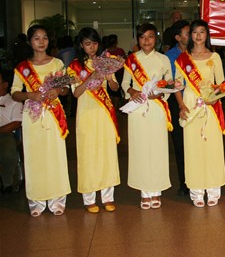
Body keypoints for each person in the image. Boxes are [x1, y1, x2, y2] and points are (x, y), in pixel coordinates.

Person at [11, 25, 71, 216]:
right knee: (34, 157)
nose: (41, 41)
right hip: (33, 116)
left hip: (54, 115)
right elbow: (14, 93)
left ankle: (57, 200)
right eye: (37, 38)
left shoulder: (57, 63)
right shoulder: (23, 68)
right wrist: (30, 94)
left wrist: (58, 91)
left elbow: (66, 89)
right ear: (30, 41)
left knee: (55, 156)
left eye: (44, 38)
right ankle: (36, 201)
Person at [174, 19, 225, 207]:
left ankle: (213, 189)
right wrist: (181, 106)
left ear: (207, 35)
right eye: (194, 32)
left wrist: (214, 98)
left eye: (202, 32)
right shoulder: (183, 59)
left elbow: (222, 84)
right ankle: (196, 191)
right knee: (193, 148)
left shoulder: (215, 57)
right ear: (190, 35)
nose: (198, 35)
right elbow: (177, 86)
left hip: (210, 106)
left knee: (212, 148)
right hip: (191, 106)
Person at [67, 28, 121, 213]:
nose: (92, 47)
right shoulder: (74, 66)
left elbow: (115, 87)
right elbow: (75, 93)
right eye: (88, 44)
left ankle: (108, 197)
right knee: (88, 154)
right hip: (86, 114)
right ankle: (89, 198)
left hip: (104, 113)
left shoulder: (105, 61)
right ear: (81, 45)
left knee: (107, 153)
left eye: (95, 43)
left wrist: (109, 78)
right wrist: (90, 78)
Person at [121, 23, 172, 209]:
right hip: (137, 108)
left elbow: (170, 83)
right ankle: (144, 192)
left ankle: (156, 191)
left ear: (156, 39)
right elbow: (124, 83)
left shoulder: (163, 59)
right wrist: (132, 91)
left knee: (158, 149)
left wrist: (161, 94)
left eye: (150, 36)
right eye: (142, 37)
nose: (146, 40)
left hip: (157, 108)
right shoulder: (132, 59)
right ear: (138, 39)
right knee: (140, 149)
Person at [164, 20, 190, 196]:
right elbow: (171, 82)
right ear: (178, 37)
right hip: (176, 100)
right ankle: (184, 182)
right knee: (180, 143)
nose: (193, 36)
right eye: (188, 33)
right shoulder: (170, 56)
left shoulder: (198, 53)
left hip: (196, 99)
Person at [0, 69, 22, 194]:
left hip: (5, 134)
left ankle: (7, 183)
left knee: (7, 153)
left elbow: (17, 122)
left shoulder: (14, 101)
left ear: (5, 84)